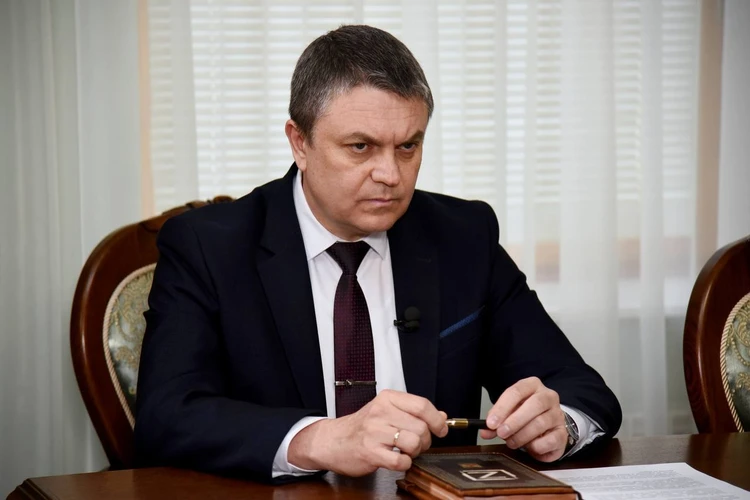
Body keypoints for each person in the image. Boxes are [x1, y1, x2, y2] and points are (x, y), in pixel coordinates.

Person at [134, 24, 621, 482]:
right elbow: (166, 416)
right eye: (361, 147)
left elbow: (582, 389)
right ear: (300, 143)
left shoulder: (463, 236)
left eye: (408, 146)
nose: (390, 175)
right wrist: (318, 439)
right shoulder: (209, 247)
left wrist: (560, 423)